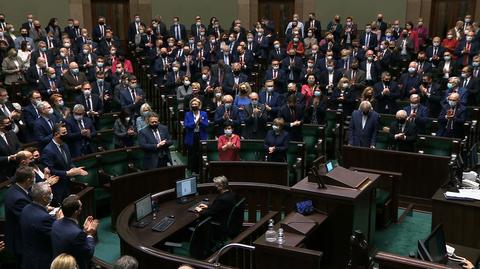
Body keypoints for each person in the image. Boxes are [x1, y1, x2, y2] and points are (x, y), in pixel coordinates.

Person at [41, 123, 88, 205]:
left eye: (66, 132)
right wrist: (67, 173)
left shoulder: (65, 145)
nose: (67, 135)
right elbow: (50, 170)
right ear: (56, 134)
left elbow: (69, 162)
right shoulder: (48, 150)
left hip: (68, 183)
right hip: (57, 187)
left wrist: (75, 169)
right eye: (64, 133)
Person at [20, 182, 62, 269]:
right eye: (50, 193)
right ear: (44, 198)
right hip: (41, 262)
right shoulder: (44, 218)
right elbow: (57, 236)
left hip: (28, 257)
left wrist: (46, 208)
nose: (52, 195)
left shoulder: (26, 209)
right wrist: (59, 221)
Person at [52, 195, 98, 269]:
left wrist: (84, 231)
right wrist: (90, 235)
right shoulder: (76, 233)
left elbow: (72, 241)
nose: (81, 208)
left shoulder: (55, 224)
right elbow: (88, 253)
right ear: (76, 212)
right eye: (80, 206)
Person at [5, 166, 34, 266]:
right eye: (33, 178)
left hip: (20, 239)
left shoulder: (16, 189)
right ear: (28, 180)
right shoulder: (19, 198)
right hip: (20, 242)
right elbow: (29, 219)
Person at [184, 98, 208, 175]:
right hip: (191, 136)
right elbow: (187, 125)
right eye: (193, 104)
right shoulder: (188, 114)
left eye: (195, 104)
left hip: (201, 135)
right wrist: (195, 122)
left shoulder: (203, 113)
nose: (194, 105)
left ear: (199, 105)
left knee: (200, 153)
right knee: (192, 153)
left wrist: (200, 122)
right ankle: (193, 170)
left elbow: (206, 125)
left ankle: (200, 169)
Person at [0, 115, 21, 180]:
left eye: (10, 122)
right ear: (0, 126)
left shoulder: (11, 133)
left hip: (17, 166)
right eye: (7, 123)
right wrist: (8, 158)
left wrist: (17, 154)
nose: (10, 124)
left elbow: (19, 146)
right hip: (4, 170)